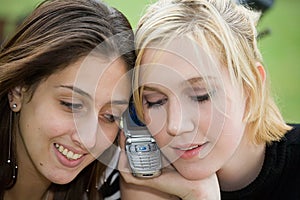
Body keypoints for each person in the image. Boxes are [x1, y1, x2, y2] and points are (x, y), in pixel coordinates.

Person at [118, 0, 300, 199]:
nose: (175, 126)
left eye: (200, 96)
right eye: (155, 101)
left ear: (250, 88)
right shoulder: (147, 184)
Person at [0, 0, 135, 199]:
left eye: (109, 116)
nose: (88, 139)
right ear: (18, 89)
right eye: (72, 105)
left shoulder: (115, 181)